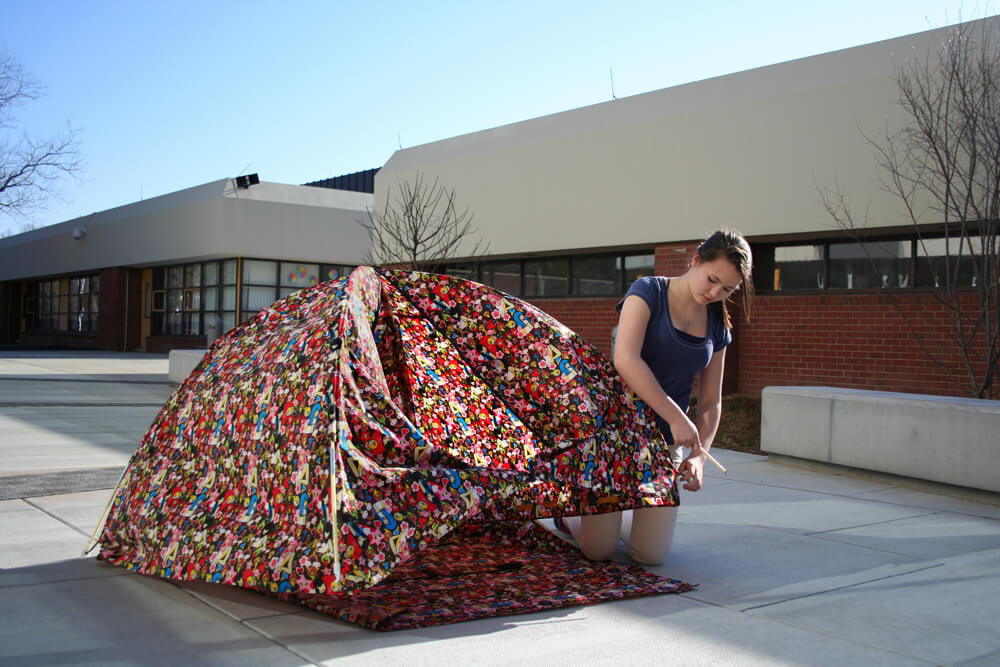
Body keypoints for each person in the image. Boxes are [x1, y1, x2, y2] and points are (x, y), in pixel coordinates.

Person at [557, 228, 754, 565]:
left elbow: (711, 404)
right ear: (695, 260)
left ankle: (622, 514)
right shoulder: (648, 291)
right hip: (614, 437)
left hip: (663, 445)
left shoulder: (718, 326)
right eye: (712, 279)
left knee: (650, 555)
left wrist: (699, 456)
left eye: (727, 289)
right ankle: (571, 514)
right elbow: (626, 359)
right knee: (599, 551)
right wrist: (678, 417)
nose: (715, 291)